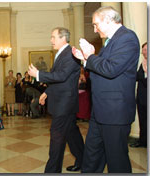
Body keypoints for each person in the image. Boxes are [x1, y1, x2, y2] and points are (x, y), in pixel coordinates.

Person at [72, 6, 140, 173]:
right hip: (101, 111)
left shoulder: (127, 38)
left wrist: (90, 57)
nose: (95, 30)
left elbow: (111, 69)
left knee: (117, 162)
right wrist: (85, 60)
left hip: (115, 112)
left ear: (108, 20)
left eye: (96, 24)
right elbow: (101, 69)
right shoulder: (111, 41)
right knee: (92, 157)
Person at [28, 27, 84, 173]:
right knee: (72, 134)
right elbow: (59, 78)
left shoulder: (71, 54)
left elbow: (61, 76)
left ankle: (52, 171)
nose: (51, 40)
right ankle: (83, 160)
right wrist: (46, 92)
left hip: (64, 104)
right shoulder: (62, 53)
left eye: (53, 37)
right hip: (64, 102)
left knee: (57, 139)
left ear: (63, 38)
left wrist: (38, 74)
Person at [130, 42, 147, 148]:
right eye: (143, 50)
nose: (144, 52)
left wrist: (145, 73)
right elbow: (137, 77)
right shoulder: (143, 63)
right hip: (141, 98)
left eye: (146, 49)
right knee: (142, 121)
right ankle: (142, 141)